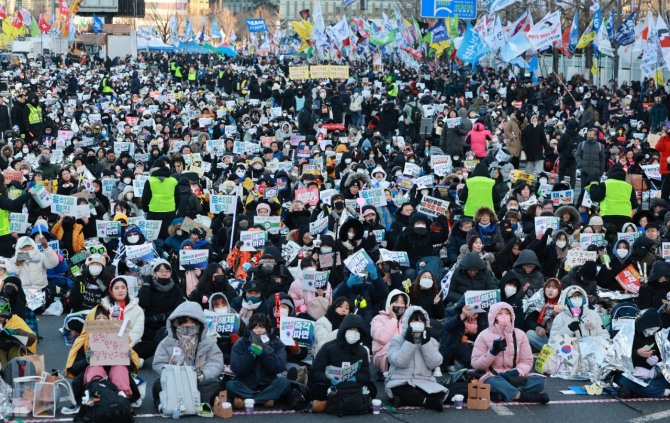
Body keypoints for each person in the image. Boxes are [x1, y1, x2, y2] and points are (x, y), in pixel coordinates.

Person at [471, 302, 550, 403]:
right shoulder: (483, 335)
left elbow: (527, 361)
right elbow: (476, 364)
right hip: (494, 376)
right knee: (492, 382)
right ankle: (524, 396)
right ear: (493, 316)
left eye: (507, 313)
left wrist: (517, 371)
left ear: (512, 315)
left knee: (539, 382)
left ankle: (503, 393)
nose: (504, 316)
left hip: (514, 376)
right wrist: (492, 352)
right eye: (500, 313)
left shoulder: (520, 334)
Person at [153, 301, 224, 408]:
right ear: (176, 323)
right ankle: (197, 401)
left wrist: (203, 375)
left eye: (192, 322)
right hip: (174, 381)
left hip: (198, 381)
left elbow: (216, 361)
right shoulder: (167, 342)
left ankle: (177, 401)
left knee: (216, 383)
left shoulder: (208, 342)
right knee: (157, 385)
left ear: (199, 323)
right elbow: (158, 363)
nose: (188, 325)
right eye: (184, 322)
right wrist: (173, 374)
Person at [65, 305, 140, 402]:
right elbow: (74, 369)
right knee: (95, 367)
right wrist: (87, 360)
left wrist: (128, 358)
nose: (101, 321)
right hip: (92, 382)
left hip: (116, 379)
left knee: (120, 367)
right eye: (98, 318)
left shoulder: (118, 338)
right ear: (90, 320)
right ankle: (96, 396)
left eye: (105, 318)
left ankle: (122, 398)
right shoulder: (83, 340)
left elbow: (132, 368)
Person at [385, 306, 448, 411]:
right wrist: (409, 342)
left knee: (441, 392)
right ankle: (426, 402)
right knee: (398, 389)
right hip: (401, 381)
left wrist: (426, 343)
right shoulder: (397, 340)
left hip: (424, 381)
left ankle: (406, 400)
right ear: (407, 322)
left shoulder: (431, 341)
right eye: (414, 320)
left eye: (421, 321)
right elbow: (399, 362)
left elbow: (435, 363)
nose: (418, 323)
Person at [226, 313, 291, 409]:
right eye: (256, 327)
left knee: (284, 382)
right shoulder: (241, 343)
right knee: (230, 385)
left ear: (267, 329)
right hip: (245, 384)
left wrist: (264, 354)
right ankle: (263, 399)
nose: (259, 330)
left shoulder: (276, 342)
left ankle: (251, 399)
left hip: (267, 384)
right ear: (250, 329)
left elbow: (279, 367)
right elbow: (236, 369)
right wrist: (251, 355)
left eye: (262, 327)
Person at [310, 314, 373, 413]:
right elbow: (316, 372)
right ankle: (353, 402)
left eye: (357, 331)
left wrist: (355, 378)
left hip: (351, 385)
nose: (354, 333)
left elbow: (366, 375)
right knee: (317, 390)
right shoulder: (328, 347)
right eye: (351, 329)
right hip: (331, 384)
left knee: (372, 388)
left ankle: (334, 403)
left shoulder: (362, 351)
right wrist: (330, 380)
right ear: (344, 329)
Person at [135, 259, 185, 360]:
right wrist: (146, 282)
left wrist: (162, 317)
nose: (164, 274)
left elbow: (179, 310)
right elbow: (142, 303)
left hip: (167, 327)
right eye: (161, 271)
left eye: (167, 271)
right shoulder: (149, 286)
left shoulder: (177, 290)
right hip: (149, 325)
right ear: (154, 273)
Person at [614, 309, 670, 398]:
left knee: (666, 378)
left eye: (654, 330)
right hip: (630, 371)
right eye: (650, 329)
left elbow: (662, 354)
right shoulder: (629, 332)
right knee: (623, 380)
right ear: (644, 324)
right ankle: (661, 392)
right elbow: (617, 354)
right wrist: (637, 353)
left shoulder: (656, 335)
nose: (651, 333)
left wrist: (655, 359)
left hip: (650, 372)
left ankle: (640, 390)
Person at [371, 289, 410, 373]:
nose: (399, 305)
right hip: (383, 355)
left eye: (402, 303)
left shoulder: (407, 321)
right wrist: (393, 319)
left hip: (406, 355)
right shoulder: (378, 318)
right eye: (396, 302)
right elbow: (382, 338)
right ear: (389, 303)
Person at [102, 277, 145, 348]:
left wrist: (124, 345)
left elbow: (136, 332)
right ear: (111, 291)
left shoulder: (137, 309)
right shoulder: (103, 307)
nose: (120, 290)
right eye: (116, 288)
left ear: (127, 290)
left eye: (123, 287)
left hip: (130, 345)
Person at [524, 279, 563, 351]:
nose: (550, 290)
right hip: (544, 337)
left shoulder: (564, 302)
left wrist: (560, 314)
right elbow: (529, 320)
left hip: (560, 337)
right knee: (529, 334)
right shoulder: (539, 300)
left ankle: (553, 351)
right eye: (548, 287)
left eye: (554, 288)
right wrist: (538, 328)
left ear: (559, 290)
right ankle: (550, 351)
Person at [0, 296, 37, 366]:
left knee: (15, 349)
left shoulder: (15, 320)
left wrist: (16, 332)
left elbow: (32, 338)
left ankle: (16, 373)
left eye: (2, 315)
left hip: (14, 352)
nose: (0, 318)